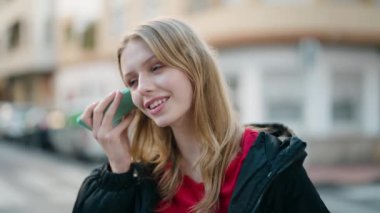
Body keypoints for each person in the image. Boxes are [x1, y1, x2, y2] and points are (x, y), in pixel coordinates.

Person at [73, 17, 329, 213]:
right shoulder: (145, 180)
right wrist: (118, 169)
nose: (143, 87)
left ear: (196, 67)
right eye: (132, 81)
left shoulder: (270, 163)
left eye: (156, 67)